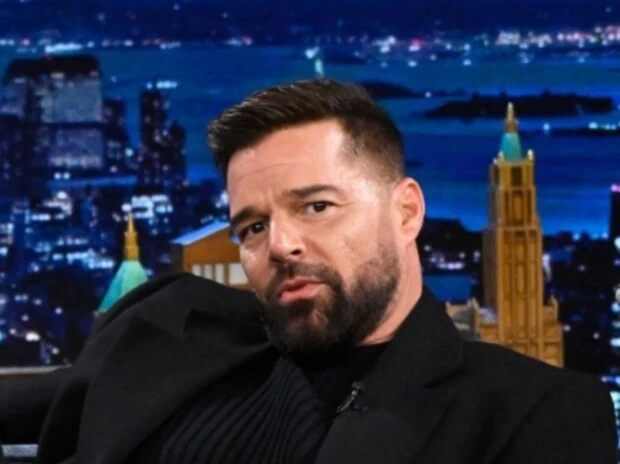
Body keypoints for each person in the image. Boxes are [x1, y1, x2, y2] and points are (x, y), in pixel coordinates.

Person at [0, 78, 616, 464]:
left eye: (317, 207)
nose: (281, 245)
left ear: (406, 211)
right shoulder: (175, 332)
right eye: (252, 227)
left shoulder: (534, 412)